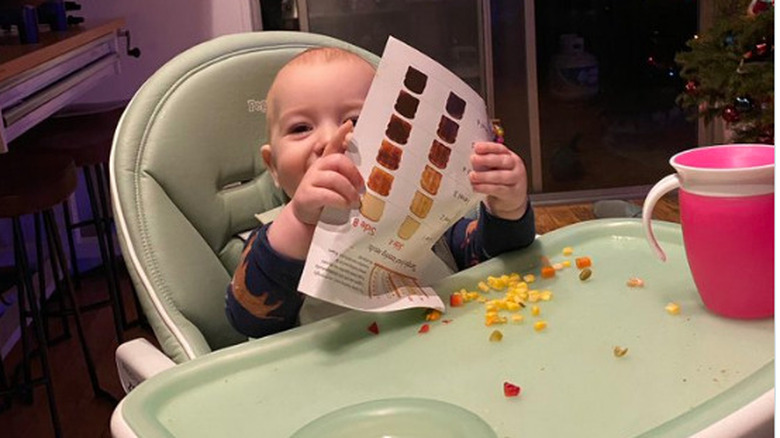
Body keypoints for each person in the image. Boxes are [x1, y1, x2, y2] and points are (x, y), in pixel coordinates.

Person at [225, 47, 536, 338]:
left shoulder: (423, 219)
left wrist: (507, 209)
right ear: (273, 166)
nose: (333, 139)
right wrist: (300, 221)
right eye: (300, 128)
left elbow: (490, 258)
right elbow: (248, 320)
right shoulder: (274, 246)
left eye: (356, 121)